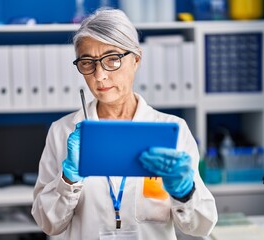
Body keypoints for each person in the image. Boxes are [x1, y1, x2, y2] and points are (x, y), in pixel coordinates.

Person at [31, 8, 217, 240]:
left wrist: (185, 192)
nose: (99, 75)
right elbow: (48, 224)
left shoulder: (173, 130)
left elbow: (201, 227)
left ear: (136, 59)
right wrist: (68, 179)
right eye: (88, 63)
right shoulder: (63, 132)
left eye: (112, 59)